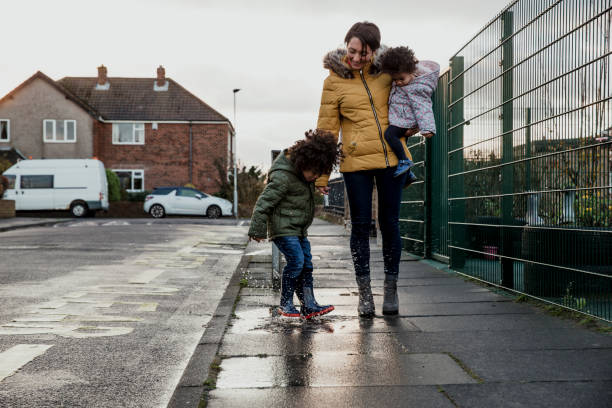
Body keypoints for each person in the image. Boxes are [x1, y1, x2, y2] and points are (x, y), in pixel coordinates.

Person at [317, 21, 417, 317]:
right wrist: (322, 175)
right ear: (345, 46)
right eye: (353, 51)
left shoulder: (387, 70)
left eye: (365, 52)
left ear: (375, 50)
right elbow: (326, 130)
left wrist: (412, 126)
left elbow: (414, 93)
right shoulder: (333, 81)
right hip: (356, 163)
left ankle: (391, 290)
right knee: (360, 226)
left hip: (391, 159)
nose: (358, 58)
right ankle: (364, 294)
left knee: (390, 224)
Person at [248, 129, 340, 319]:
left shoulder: (302, 175)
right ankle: (286, 303)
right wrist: (257, 229)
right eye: (314, 173)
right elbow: (263, 203)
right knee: (296, 261)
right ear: (302, 163)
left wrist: (318, 185)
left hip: (298, 229)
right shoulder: (283, 177)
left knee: (306, 264)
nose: (315, 177)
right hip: (283, 229)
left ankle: (309, 305)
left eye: (319, 173)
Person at [380, 46, 440, 177]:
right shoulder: (406, 79)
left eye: (401, 79)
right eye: (395, 80)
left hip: (405, 120)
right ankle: (408, 173)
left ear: (412, 71)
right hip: (402, 117)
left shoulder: (417, 87)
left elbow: (423, 107)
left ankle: (404, 162)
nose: (398, 82)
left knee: (390, 135)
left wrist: (427, 128)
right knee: (402, 144)